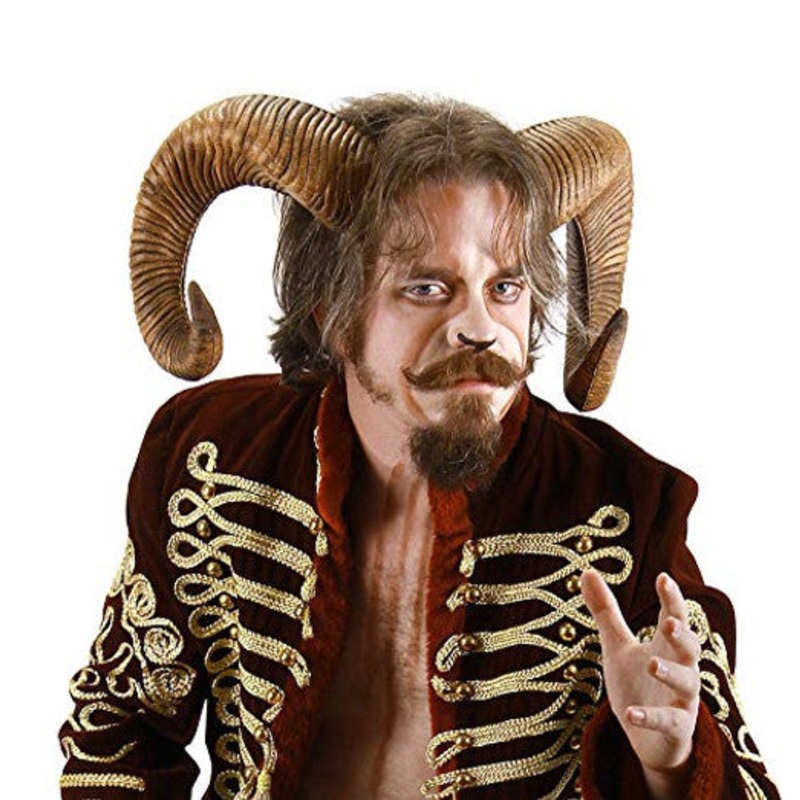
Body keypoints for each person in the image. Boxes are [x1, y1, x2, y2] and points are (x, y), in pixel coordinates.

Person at [59, 93, 779, 799]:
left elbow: (744, 784)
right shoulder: (213, 454)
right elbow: (119, 725)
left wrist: (670, 765)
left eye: (506, 287)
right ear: (332, 314)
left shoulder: (625, 503)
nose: (481, 328)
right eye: (428, 288)